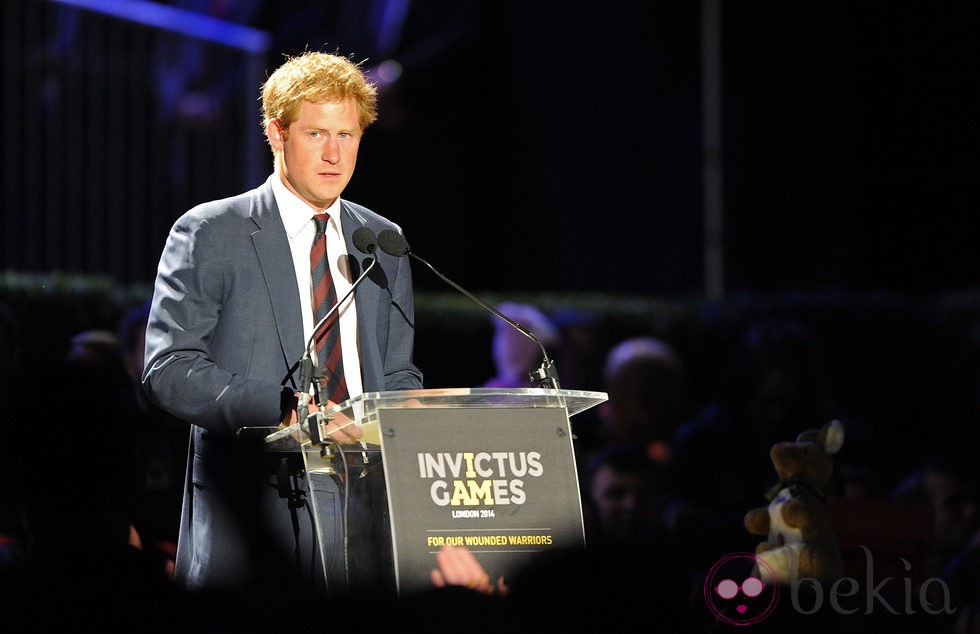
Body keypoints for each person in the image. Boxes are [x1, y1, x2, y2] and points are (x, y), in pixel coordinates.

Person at [142, 50, 423, 601]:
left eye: (348, 134)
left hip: (367, 508)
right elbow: (168, 369)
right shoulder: (211, 231)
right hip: (253, 508)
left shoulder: (381, 240)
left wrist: (406, 418)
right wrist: (286, 409)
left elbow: (398, 371)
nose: (335, 154)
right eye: (317, 134)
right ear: (277, 133)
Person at [480, 301, 560, 389]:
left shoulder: (552, 389)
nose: (508, 347)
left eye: (517, 336)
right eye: (504, 332)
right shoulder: (493, 390)